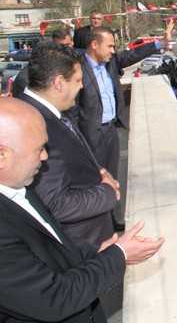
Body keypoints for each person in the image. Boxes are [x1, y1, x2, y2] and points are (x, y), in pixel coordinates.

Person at [0, 97, 164, 323]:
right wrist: (119, 256)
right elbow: (54, 298)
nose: (45, 157)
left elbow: (50, 252)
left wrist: (98, 251)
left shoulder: (18, 185)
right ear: (2, 155)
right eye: (39, 149)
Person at [18, 42, 120, 246]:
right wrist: (108, 192)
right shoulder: (36, 125)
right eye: (77, 80)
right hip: (84, 246)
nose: (82, 86)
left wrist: (98, 170)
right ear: (58, 83)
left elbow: (69, 160)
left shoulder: (45, 112)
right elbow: (56, 204)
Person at [73, 21, 175, 181]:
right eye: (110, 46)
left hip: (112, 130)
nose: (113, 51)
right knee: (96, 178)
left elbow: (133, 55)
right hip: (90, 134)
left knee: (113, 176)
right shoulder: (76, 68)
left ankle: (112, 203)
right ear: (94, 44)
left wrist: (160, 43)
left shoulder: (110, 62)